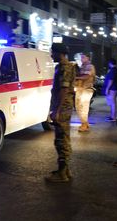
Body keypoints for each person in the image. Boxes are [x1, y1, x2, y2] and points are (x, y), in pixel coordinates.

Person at [45, 43, 76, 183]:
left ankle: (62, 173)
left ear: (60, 53)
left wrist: (57, 110)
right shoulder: (61, 67)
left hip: (62, 107)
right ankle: (65, 170)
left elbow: (64, 90)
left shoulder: (65, 68)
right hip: (62, 106)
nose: (51, 55)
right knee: (62, 138)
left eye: (53, 52)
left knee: (61, 139)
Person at [74, 53, 96, 132]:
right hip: (80, 88)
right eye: (81, 57)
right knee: (78, 106)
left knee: (83, 107)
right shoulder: (82, 66)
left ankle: (84, 124)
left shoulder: (90, 66)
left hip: (86, 89)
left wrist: (76, 77)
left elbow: (87, 76)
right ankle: (85, 123)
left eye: (83, 57)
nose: (81, 59)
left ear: (88, 58)